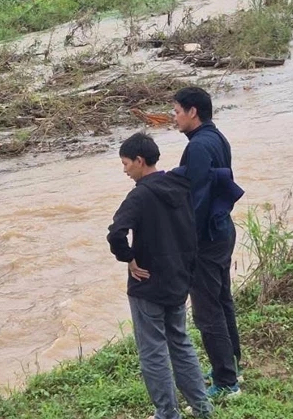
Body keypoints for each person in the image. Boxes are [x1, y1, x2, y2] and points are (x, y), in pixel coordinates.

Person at [107, 133, 214, 419]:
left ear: (140, 161)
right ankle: (202, 408)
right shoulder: (181, 185)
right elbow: (191, 232)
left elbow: (116, 233)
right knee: (180, 341)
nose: (125, 170)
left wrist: (128, 259)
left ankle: (167, 413)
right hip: (178, 279)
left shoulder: (139, 194)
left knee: (153, 351)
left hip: (147, 283)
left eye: (126, 163)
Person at [172, 87, 242, 399]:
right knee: (222, 300)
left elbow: (197, 201)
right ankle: (231, 365)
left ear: (192, 112)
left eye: (176, 111)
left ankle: (226, 382)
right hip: (222, 230)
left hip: (206, 239)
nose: (174, 118)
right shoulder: (217, 138)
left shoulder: (199, 147)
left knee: (207, 310)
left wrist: (185, 242)